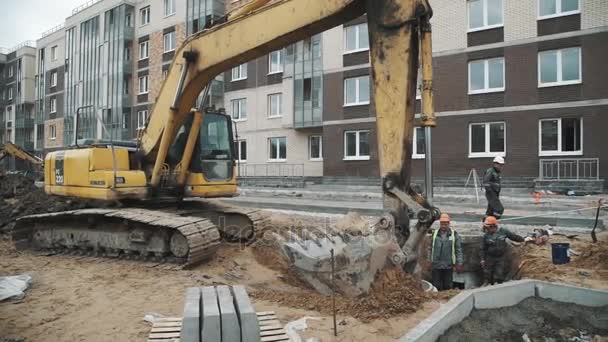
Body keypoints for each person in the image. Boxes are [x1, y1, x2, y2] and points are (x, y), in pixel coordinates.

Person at [480, 216, 524, 285]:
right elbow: (483, 248)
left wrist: (524, 240)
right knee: (487, 273)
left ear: (493, 226)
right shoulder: (486, 236)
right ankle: (486, 284)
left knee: (498, 273)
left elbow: (513, 237)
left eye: (488, 228)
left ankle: (496, 284)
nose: (487, 230)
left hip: (500, 257)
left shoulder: (503, 232)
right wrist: (482, 259)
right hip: (490, 257)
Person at [429, 213, 463, 291]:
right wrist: (429, 260)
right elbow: (430, 248)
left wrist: (459, 263)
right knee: (436, 285)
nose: (443, 226)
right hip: (436, 264)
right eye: (442, 224)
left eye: (445, 224)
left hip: (448, 264)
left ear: (448, 223)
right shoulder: (435, 234)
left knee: (447, 285)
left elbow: (458, 250)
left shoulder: (454, 234)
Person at [483, 156, 505, 221]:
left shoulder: (497, 173)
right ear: (495, 164)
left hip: (495, 193)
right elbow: (486, 182)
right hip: (491, 193)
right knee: (499, 209)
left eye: (502, 165)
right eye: (500, 165)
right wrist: (491, 192)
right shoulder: (490, 171)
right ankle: (493, 221)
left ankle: (485, 222)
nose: (501, 166)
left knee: (490, 211)